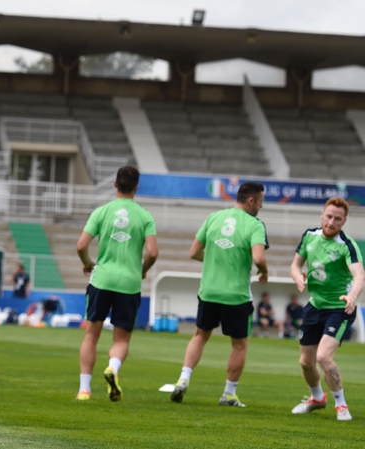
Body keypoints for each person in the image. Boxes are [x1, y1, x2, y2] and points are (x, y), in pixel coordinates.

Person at [170, 181, 268, 407]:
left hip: (209, 291)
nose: (261, 206)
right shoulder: (255, 225)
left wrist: (214, 260)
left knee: (199, 336)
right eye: (261, 202)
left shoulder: (213, 217)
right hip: (236, 295)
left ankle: (183, 379)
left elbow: (193, 252)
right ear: (251, 201)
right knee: (239, 345)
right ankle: (229, 394)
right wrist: (264, 271)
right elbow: (259, 258)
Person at [75, 165, 158, 402]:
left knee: (91, 335)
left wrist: (88, 262)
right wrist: (142, 270)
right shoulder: (145, 216)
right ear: (136, 187)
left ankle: (84, 390)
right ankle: (112, 367)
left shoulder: (102, 211)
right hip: (129, 283)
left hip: (102, 279)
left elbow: (81, 245)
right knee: (121, 339)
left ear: (115, 184)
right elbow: (152, 252)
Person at [289, 197, 362, 421]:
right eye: (329, 216)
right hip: (314, 305)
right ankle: (317, 398)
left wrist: (351, 296)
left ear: (344, 221)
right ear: (322, 214)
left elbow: (360, 275)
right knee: (305, 362)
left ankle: (341, 405)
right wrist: (297, 277)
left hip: (340, 308)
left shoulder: (347, 245)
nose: (331, 222)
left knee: (323, 356)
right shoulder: (309, 236)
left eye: (337, 219)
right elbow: (295, 263)